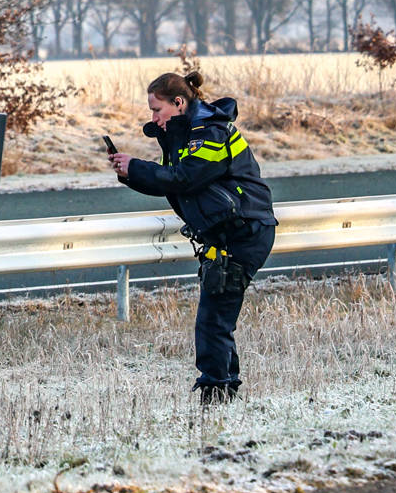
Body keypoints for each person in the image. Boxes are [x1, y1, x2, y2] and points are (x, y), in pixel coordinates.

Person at [108, 69, 276, 405]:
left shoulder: (210, 131)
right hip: (226, 234)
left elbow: (186, 178)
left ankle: (217, 393)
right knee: (215, 317)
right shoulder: (185, 134)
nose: (153, 118)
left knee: (213, 319)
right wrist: (130, 173)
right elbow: (170, 182)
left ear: (179, 102)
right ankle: (224, 388)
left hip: (245, 231)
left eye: (157, 110)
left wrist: (137, 166)